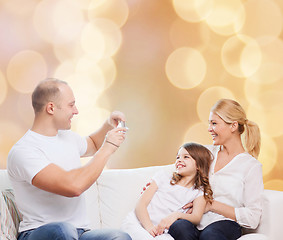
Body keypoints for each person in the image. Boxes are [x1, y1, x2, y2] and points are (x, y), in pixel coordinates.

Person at [7, 78, 132, 240]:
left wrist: (109, 124)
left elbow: (93, 143)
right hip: (39, 232)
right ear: (51, 108)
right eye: (71, 105)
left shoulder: (67, 137)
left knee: (118, 237)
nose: (76, 111)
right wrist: (108, 148)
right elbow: (73, 186)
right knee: (62, 230)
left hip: (79, 233)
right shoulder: (24, 151)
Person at [168, 99, 264, 240]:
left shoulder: (251, 166)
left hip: (225, 223)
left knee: (210, 236)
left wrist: (211, 205)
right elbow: (180, 170)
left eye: (214, 123)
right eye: (209, 123)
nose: (209, 129)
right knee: (178, 227)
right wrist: (155, 184)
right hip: (196, 218)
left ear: (233, 126)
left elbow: (253, 218)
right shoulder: (206, 153)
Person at [121, 142, 214, 240]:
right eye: (178, 157)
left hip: (161, 233)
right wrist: (149, 227)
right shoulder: (163, 177)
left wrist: (177, 215)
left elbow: (196, 218)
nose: (179, 160)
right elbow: (140, 205)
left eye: (186, 157)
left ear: (199, 165)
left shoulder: (198, 192)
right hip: (139, 224)